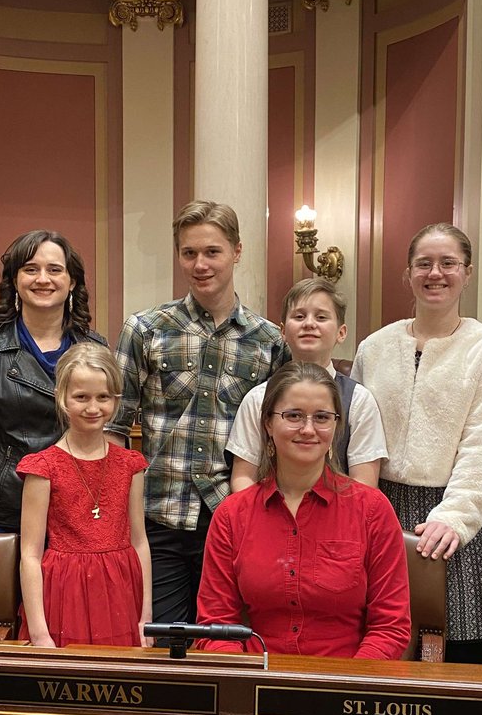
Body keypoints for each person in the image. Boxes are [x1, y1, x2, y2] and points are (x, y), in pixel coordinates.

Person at [113, 201, 287, 625]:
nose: (200, 264)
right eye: (189, 253)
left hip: (232, 518)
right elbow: (113, 428)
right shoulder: (146, 329)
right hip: (159, 516)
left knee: (225, 642)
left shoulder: (268, 341)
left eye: (212, 252)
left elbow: (276, 441)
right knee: (164, 642)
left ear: (237, 252)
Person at [351, 223, 482, 653]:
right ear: (408, 273)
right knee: (378, 637)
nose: (435, 273)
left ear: (467, 272)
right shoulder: (374, 347)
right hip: (380, 505)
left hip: (454, 514)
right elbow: (355, 436)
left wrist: (456, 518)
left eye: (448, 263)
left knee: (451, 651)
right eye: (424, 264)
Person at [195, 362, 410, 659]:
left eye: (322, 417)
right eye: (293, 416)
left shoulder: (372, 510)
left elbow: (390, 627)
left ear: (336, 426)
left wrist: (349, 679)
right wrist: (245, 676)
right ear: (268, 424)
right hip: (257, 676)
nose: (308, 429)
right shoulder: (232, 515)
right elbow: (215, 625)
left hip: (346, 679)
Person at [0, 230, 107, 532]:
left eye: (54, 270)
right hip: (3, 512)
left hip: (77, 509)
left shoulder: (96, 350)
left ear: (71, 281)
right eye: (31, 269)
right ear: (15, 280)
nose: (42, 279)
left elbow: (107, 436)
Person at [17, 343, 152, 648]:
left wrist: (146, 617)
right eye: (81, 397)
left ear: (116, 399)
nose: (93, 408)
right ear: (62, 398)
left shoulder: (131, 465)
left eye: (103, 397)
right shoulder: (43, 468)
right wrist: (39, 632)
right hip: (64, 595)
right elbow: (30, 555)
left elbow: (140, 542)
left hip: (120, 593)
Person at [227, 278, 387, 490]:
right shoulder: (258, 398)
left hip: (338, 509)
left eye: (321, 317)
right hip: (270, 509)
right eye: (299, 316)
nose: (309, 324)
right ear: (283, 331)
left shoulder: (360, 401)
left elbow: (364, 486)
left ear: (341, 333)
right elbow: (243, 478)